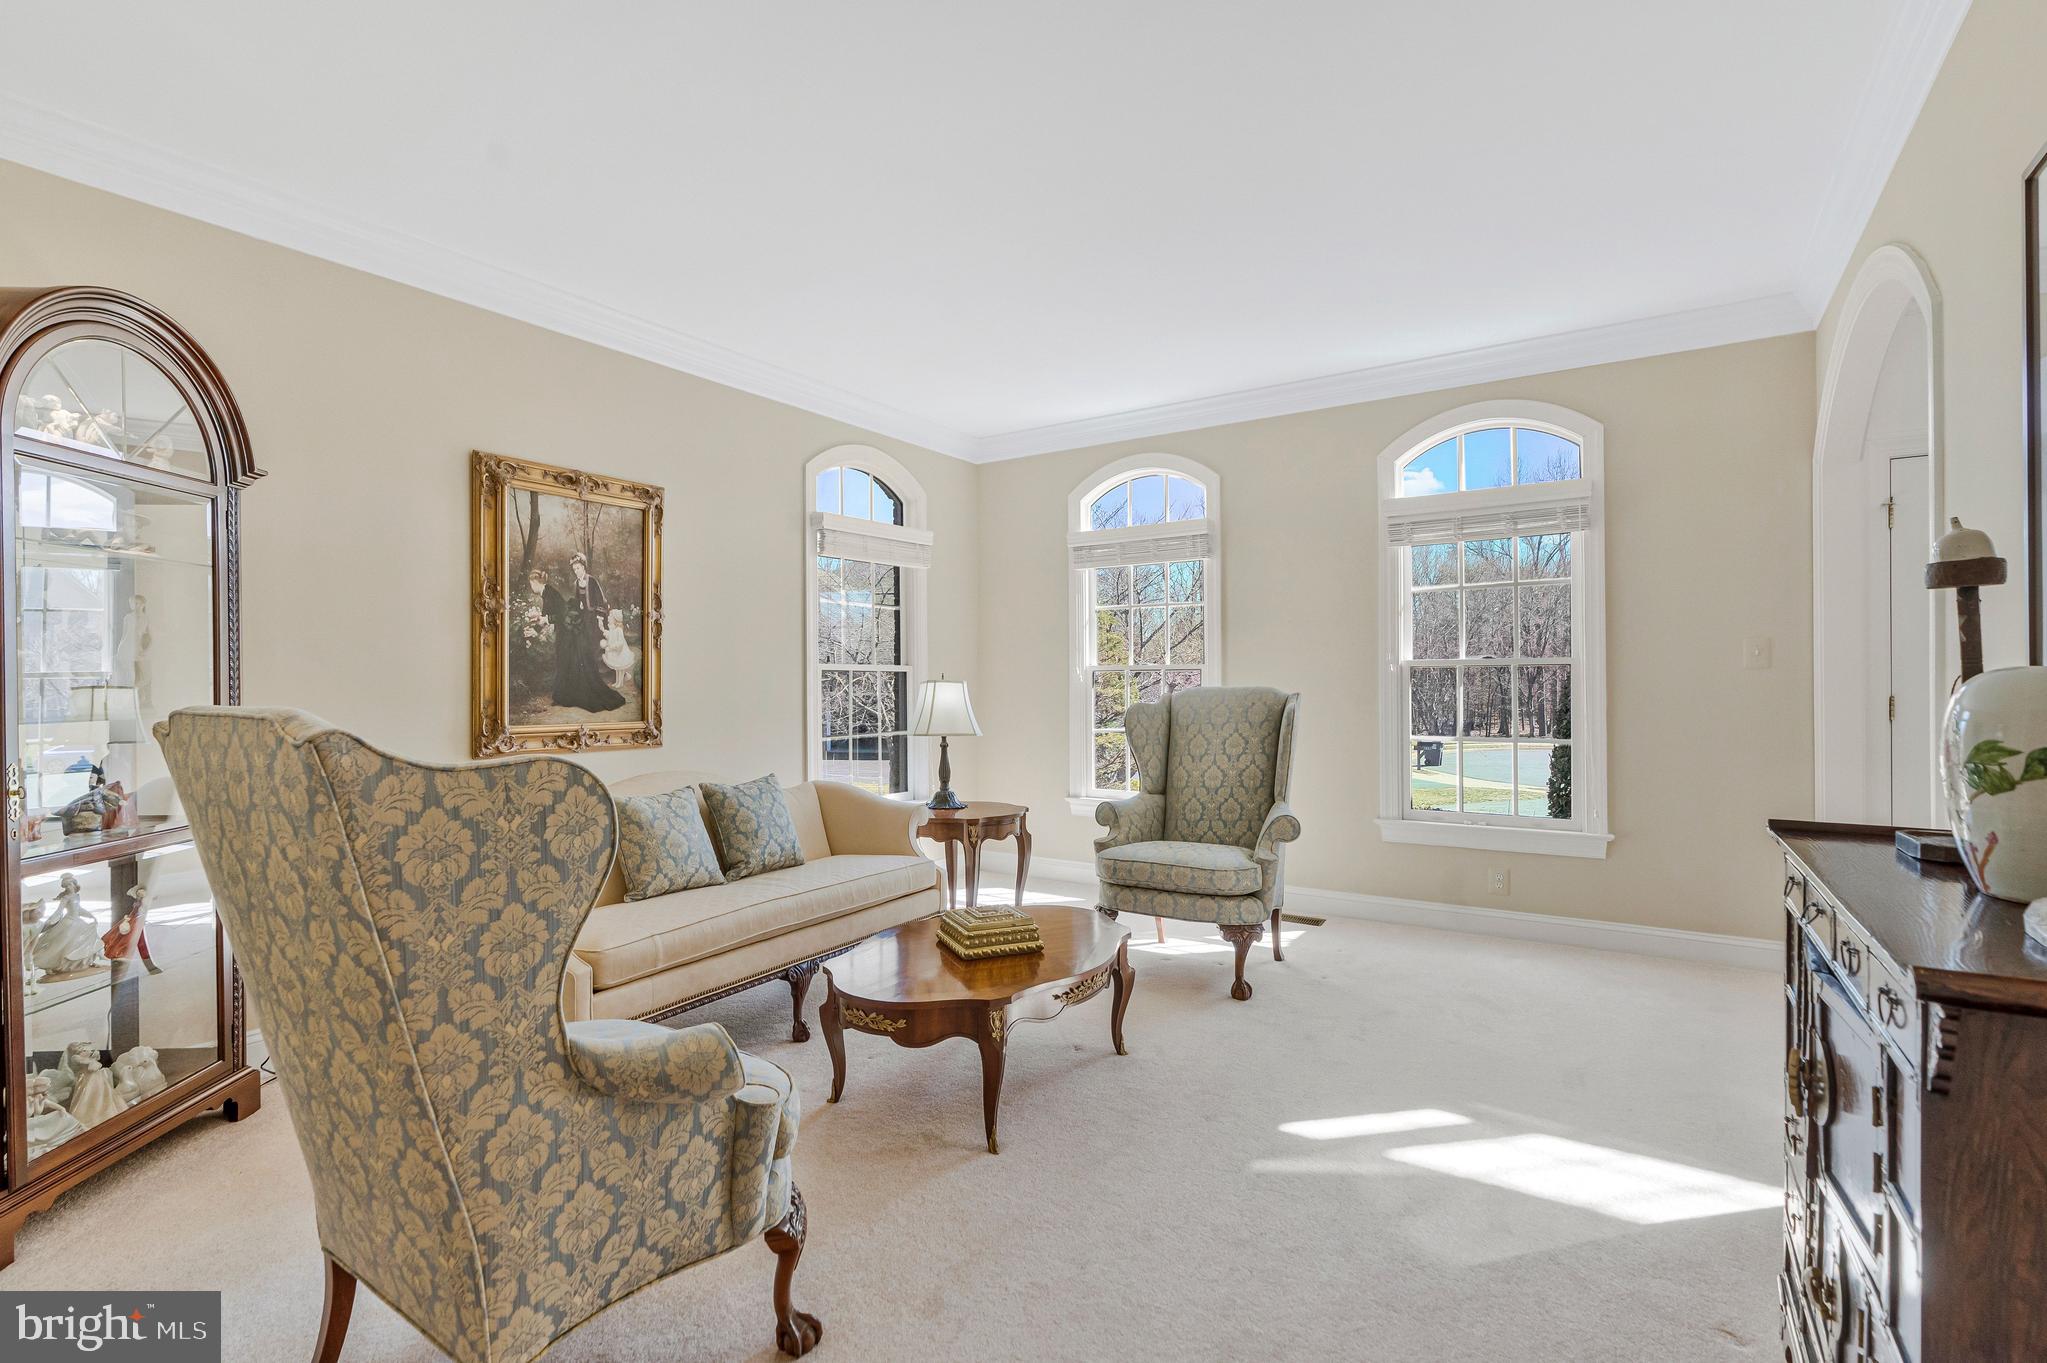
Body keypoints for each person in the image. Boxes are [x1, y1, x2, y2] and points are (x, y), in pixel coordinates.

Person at [534, 553, 626, 712]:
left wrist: (599, 619)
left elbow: (601, 601)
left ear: (584, 567)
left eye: (578, 568)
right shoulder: (577, 583)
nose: (576, 571)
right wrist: (577, 610)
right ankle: (580, 685)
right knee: (582, 651)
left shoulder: (592, 581)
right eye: (574, 569)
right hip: (582, 621)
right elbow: (576, 602)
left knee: (592, 650)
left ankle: (598, 679)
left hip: (594, 620)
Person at [601, 608, 633, 688]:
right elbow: (609, 636)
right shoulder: (612, 629)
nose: (608, 618)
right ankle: (617, 682)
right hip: (616, 652)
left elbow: (620, 642)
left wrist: (612, 647)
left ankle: (620, 682)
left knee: (620, 668)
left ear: (615, 619)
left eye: (610, 616)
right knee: (617, 668)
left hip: (621, 652)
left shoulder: (619, 630)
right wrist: (602, 628)